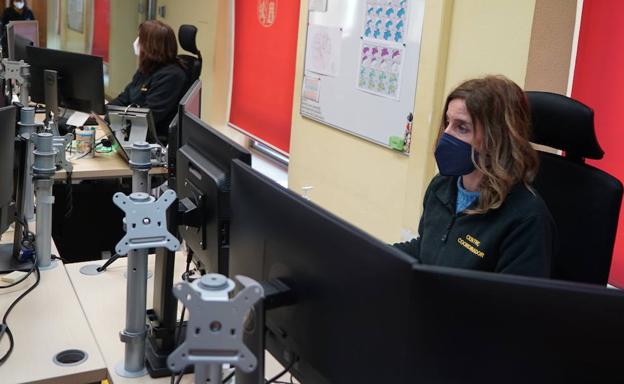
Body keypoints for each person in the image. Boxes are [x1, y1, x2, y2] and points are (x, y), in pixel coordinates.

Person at [394, 75, 556, 277]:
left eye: (462, 127)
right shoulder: (442, 186)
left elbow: (515, 304)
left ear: (496, 138)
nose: (446, 134)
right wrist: (373, 257)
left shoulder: (526, 219)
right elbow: (426, 250)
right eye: (447, 122)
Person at [109, 20, 187, 144]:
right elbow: (125, 97)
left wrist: (113, 120)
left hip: (150, 141)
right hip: (131, 130)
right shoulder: (147, 68)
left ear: (151, 45)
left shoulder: (172, 75)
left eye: (140, 38)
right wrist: (104, 112)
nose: (136, 42)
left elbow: (148, 116)